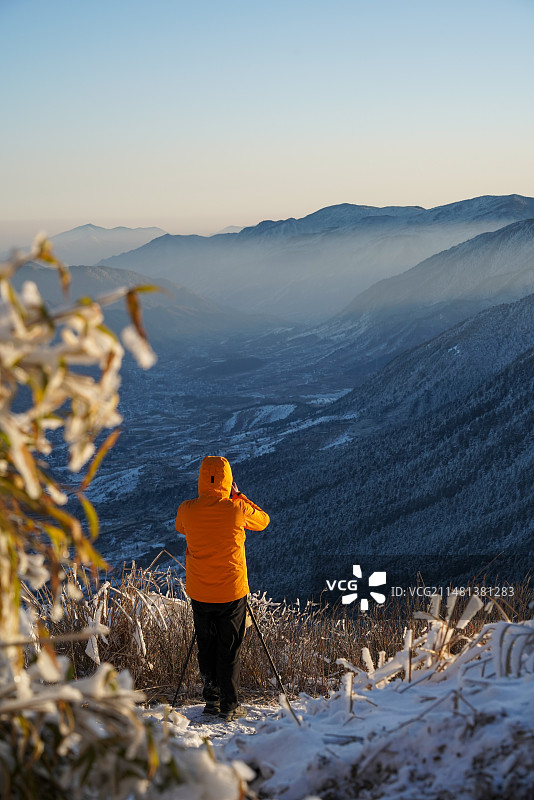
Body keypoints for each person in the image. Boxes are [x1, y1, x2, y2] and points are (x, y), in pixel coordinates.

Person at [175, 455, 270, 721]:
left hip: (200, 591)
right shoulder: (237, 508)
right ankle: (230, 705)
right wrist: (239, 496)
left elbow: (180, 527)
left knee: (206, 646)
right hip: (231, 591)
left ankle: (212, 701)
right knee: (229, 648)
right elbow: (263, 521)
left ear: (201, 480)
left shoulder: (187, 509)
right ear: (227, 480)